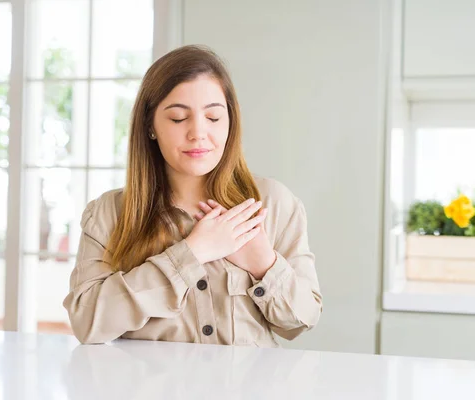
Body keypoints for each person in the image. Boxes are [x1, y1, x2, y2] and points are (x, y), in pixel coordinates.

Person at [63, 45, 322, 347]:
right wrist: (191, 254)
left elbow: (301, 322)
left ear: (230, 122)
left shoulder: (274, 203)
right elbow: (87, 323)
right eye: (177, 119)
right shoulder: (110, 213)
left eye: (213, 117)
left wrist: (264, 264)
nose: (198, 133)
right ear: (150, 126)